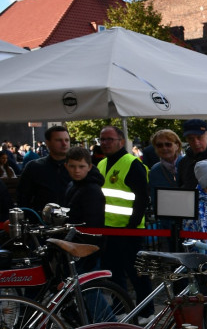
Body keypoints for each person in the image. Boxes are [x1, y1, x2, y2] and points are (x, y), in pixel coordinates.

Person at [97, 125, 152, 317]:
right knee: (114, 273)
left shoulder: (132, 163)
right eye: (102, 139)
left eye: (109, 139)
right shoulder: (102, 164)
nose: (105, 143)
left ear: (121, 141)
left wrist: (132, 225)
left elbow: (142, 198)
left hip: (130, 230)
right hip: (109, 229)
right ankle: (120, 309)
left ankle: (147, 312)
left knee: (137, 274)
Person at [63, 146, 105, 274]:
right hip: (74, 245)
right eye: (72, 166)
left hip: (85, 248)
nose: (77, 171)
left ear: (89, 167)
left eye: (81, 167)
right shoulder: (72, 185)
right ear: (66, 166)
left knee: (88, 288)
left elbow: (93, 224)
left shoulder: (92, 190)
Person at [17, 125, 72, 214]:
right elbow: (23, 197)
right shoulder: (34, 167)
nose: (64, 143)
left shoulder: (79, 167)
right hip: (41, 221)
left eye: (67, 140)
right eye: (59, 140)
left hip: (73, 221)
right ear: (47, 143)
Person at [147, 129, 182, 215]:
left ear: (177, 145)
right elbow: (155, 200)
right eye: (159, 145)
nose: (164, 148)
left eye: (168, 144)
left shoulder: (189, 165)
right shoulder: (154, 171)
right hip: (166, 219)